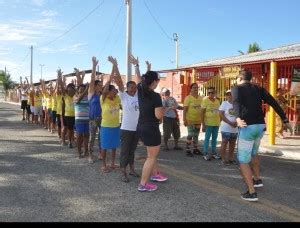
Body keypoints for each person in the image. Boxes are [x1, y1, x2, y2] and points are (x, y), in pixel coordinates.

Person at [231, 69, 293, 202]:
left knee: (242, 160)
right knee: (254, 153)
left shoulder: (237, 88)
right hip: (260, 126)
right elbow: (273, 102)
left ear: (240, 78)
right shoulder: (258, 88)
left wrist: (237, 118)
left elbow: (235, 102)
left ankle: (251, 192)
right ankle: (257, 179)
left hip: (247, 127)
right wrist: (285, 119)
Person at [111, 54, 142, 183]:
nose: (134, 89)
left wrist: (137, 65)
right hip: (126, 129)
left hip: (136, 129)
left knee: (132, 151)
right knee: (124, 152)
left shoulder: (138, 96)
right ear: (127, 88)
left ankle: (132, 169)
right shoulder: (124, 96)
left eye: (135, 87)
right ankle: (123, 172)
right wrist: (115, 66)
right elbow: (119, 81)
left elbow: (140, 81)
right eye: (131, 87)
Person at [137, 70, 168, 192]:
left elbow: (139, 79)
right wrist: (164, 110)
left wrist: (137, 66)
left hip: (141, 126)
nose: (159, 82)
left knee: (151, 154)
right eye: (158, 80)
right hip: (151, 128)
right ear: (154, 81)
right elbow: (158, 116)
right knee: (151, 156)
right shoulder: (155, 96)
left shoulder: (140, 91)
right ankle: (143, 184)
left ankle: (155, 174)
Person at [99, 59, 122, 173]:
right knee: (104, 146)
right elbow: (107, 84)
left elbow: (117, 80)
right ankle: (104, 164)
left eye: (115, 91)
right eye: (113, 91)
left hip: (116, 126)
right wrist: (113, 67)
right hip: (106, 126)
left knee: (114, 146)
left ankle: (112, 163)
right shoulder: (103, 98)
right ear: (108, 91)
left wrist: (115, 66)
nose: (115, 92)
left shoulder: (117, 98)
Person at [88, 57, 103, 163]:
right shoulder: (91, 93)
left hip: (102, 119)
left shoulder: (102, 95)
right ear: (95, 86)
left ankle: (101, 154)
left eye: (101, 85)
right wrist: (94, 66)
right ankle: (90, 155)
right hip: (92, 119)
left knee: (101, 137)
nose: (101, 87)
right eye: (99, 85)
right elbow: (92, 80)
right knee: (92, 137)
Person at [183, 83, 203, 157]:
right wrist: (184, 120)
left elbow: (202, 109)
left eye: (197, 87)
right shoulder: (188, 98)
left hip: (198, 120)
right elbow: (185, 110)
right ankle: (188, 150)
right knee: (190, 134)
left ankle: (195, 149)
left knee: (196, 135)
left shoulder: (201, 98)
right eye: (194, 87)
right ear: (191, 89)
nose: (196, 89)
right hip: (190, 120)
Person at [219, 90, 238, 165]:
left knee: (232, 143)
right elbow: (221, 114)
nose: (230, 96)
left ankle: (231, 158)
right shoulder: (224, 103)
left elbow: (240, 114)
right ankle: (223, 158)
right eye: (228, 95)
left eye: (231, 94)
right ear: (226, 96)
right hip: (226, 127)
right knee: (224, 142)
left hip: (235, 128)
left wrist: (236, 122)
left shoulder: (237, 104)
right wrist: (230, 122)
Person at [201, 87, 221, 161]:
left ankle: (213, 153)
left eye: (212, 92)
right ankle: (205, 153)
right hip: (208, 123)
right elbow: (202, 113)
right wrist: (203, 124)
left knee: (214, 139)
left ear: (215, 93)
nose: (210, 94)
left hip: (216, 123)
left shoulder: (217, 101)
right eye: (209, 93)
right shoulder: (205, 101)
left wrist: (220, 121)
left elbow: (219, 111)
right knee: (207, 138)